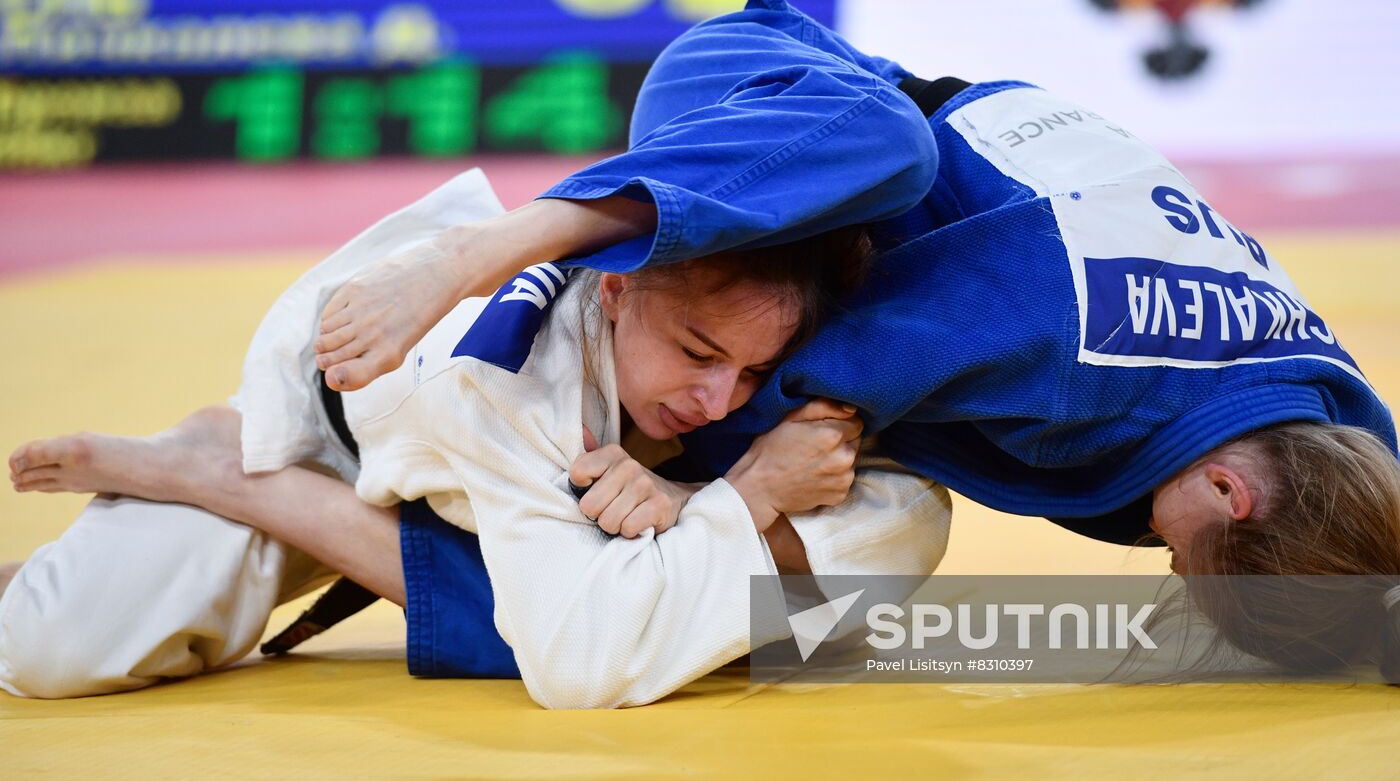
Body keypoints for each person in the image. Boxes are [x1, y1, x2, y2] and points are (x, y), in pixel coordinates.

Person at [298, 0, 1400, 677]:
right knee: (889, 145)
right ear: (1226, 489)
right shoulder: (1064, 331)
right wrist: (706, 492)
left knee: (724, 617)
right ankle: (479, 254)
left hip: (810, 272)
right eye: (1185, 556)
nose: (1163, 563)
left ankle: (352, 519)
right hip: (770, 116)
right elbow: (802, 383)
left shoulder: (1339, 427)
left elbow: (1366, 548)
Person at [0, 169, 952, 705]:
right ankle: (237, 479)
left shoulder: (751, 337)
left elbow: (904, 510)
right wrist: (743, 497)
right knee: (50, 643)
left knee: (803, 609)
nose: (716, 399)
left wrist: (687, 500)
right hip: (341, 450)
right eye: (698, 351)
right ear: (615, 295)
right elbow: (580, 666)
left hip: (488, 489)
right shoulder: (504, 376)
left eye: (748, 372)